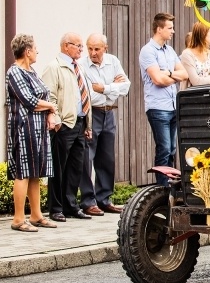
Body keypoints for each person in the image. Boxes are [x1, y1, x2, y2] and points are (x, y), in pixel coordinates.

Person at [6, 34, 58, 231]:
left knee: (35, 173)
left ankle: (36, 215)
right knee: (23, 172)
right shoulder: (15, 73)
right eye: (35, 48)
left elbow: (41, 97)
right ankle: (18, 219)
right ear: (27, 51)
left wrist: (48, 109)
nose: (37, 51)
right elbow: (29, 101)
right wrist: (51, 107)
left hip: (38, 129)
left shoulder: (32, 72)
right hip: (23, 128)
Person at [41, 33, 94, 221]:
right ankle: (55, 208)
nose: (81, 49)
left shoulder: (79, 67)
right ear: (65, 46)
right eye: (78, 46)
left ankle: (70, 205)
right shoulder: (54, 67)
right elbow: (49, 96)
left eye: (81, 46)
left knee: (75, 168)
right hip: (64, 125)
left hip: (79, 123)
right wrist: (56, 119)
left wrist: (88, 124)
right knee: (58, 167)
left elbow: (84, 96)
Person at [79, 33, 130, 214]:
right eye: (90, 48)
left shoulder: (113, 61)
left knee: (107, 158)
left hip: (109, 113)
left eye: (97, 49)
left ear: (105, 48)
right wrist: (112, 86)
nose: (93, 52)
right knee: (87, 157)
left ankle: (104, 199)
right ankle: (88, 201)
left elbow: (126, 87)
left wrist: (105, 88)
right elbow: (88, 93)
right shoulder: (82, 65)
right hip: (92, 113)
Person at [139, 13, 188, 186]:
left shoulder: (170, 50)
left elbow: (184, 74)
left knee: (173, 149)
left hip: (172, 105)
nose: (173, 31)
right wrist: (171, 76)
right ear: (159, 29)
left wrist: (167, 73)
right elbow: (157, 80)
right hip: (158, 107)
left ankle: (171, 183)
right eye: (170, 28)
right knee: (164, 147)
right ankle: (163, 185)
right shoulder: (148, 51)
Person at [180, 23, 210, 89]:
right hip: (192, 97)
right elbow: (196, 82)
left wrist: (206, 81)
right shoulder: (187, 54)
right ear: (203, 35)